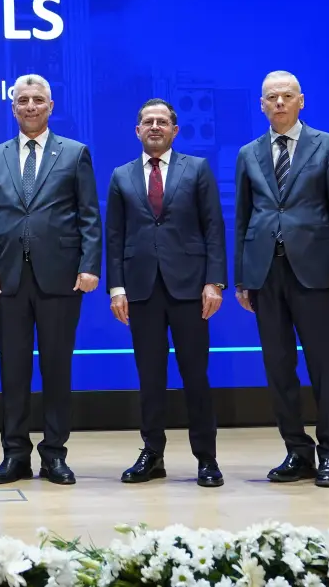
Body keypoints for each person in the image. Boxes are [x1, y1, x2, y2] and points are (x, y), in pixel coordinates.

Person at [0, 74, 102, 485]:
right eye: (23, 100)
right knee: (12, 371)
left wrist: (89, 265)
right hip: (8, 278)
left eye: (37, 100)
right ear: (13, 107)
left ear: (51, 106)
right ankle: (14, 454)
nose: (30, 106)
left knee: (56, 368)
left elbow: (89, 215)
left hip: (61, 277)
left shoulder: (75, 153)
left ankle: (54, 454)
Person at [234, 70, 329, 488]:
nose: (280, 103)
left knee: (322, 365)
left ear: (301, 100)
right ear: (262, 105)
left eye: (287, 95)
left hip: (315, 273)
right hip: (265, 273)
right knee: (278, 366)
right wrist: (242, 278)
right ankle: (297, 451)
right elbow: (243, 218)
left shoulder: (328, 145)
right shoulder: (248, 153)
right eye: (272, 97)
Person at [105, 99, 226, 488]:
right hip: (141, 290)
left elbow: (213, 228)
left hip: (190, 288)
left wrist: (214, 281)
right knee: (150, 376)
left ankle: (206, 457)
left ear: (175, 130)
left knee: (195, 375)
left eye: (162, 121)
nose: (154, 126)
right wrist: (116, 288)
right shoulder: (121, 175)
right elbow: (114, 237)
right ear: (137, 131)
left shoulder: (198, 168)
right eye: (148, 121)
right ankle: (152, 453)